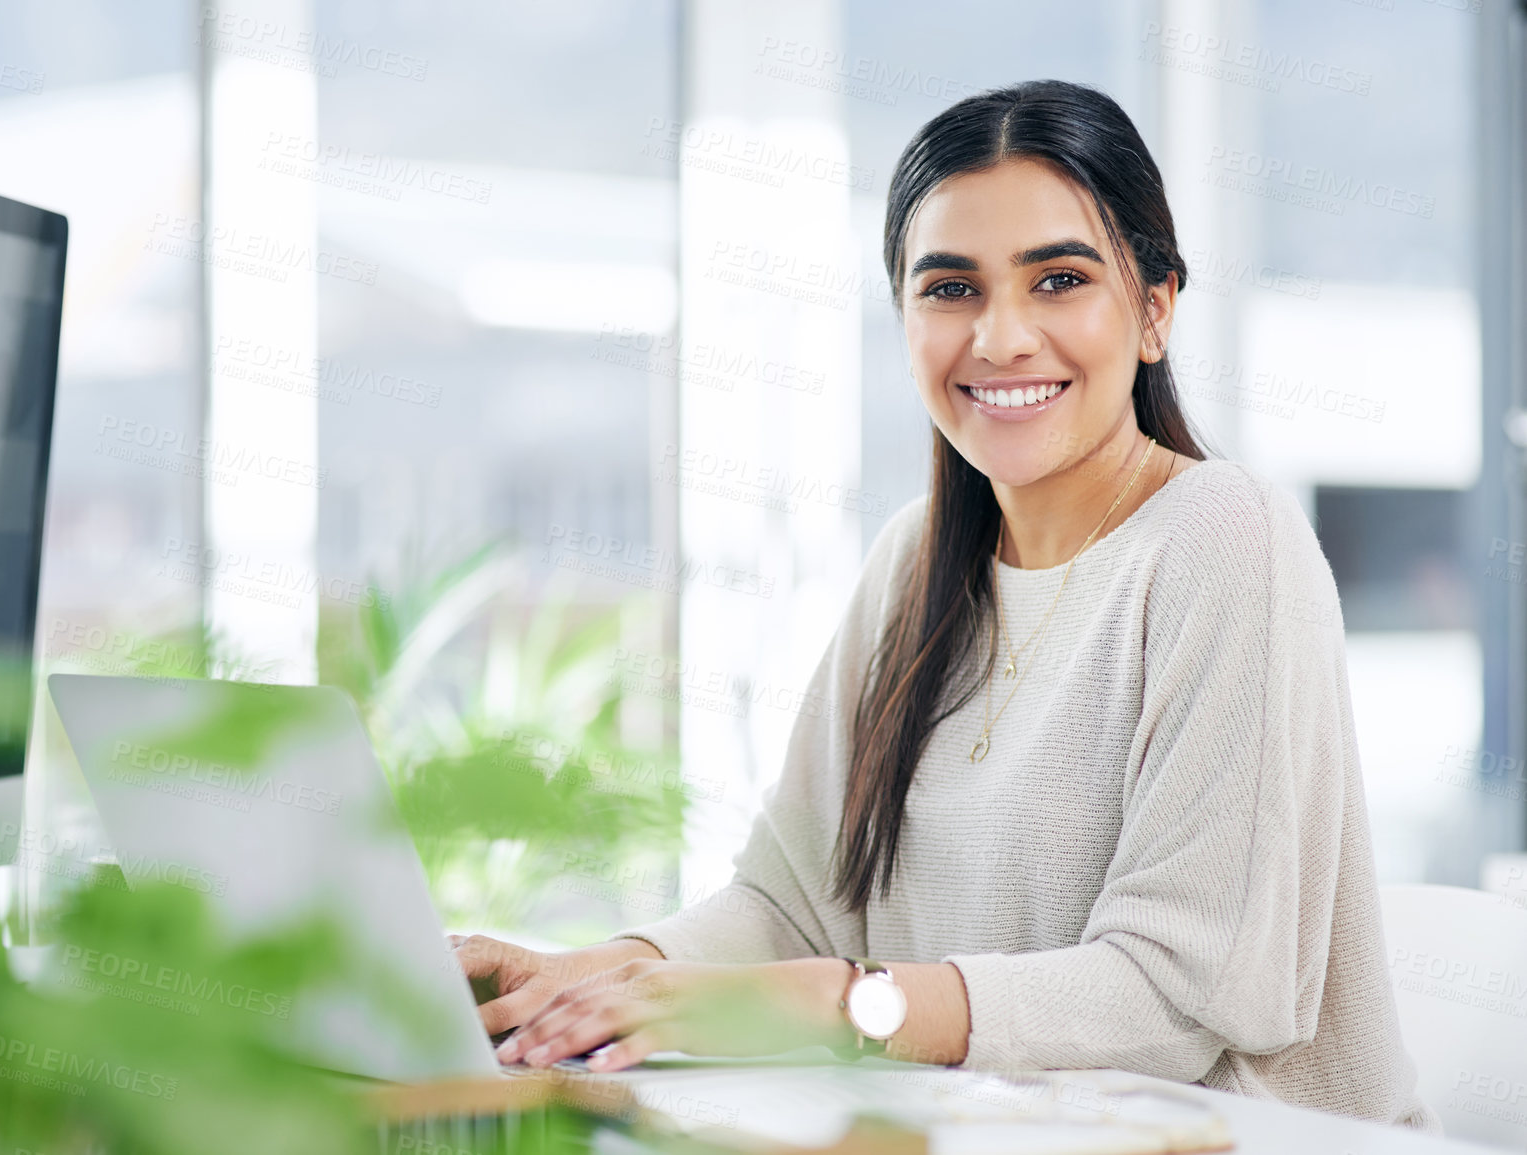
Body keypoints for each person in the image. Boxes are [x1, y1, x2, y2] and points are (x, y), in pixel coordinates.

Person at [452, 78, 1438, 1132]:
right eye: (951, 289)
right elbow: (788, 902)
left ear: (1155, 310)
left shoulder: (1226, 538)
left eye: (1058, 280)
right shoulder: (915, 563)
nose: (1002, 338)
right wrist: (594, 975)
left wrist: (849, 1003)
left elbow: (1178, 994)